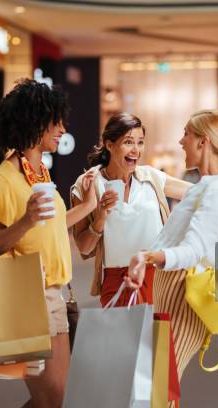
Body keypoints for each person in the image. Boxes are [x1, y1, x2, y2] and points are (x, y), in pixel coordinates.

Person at [0, 79, 97, 408]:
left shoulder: (39, 172)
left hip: (55, 293)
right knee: (54, 396)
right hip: (28, 296)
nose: (62, 128)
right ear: (33, 122)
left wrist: (86, 208)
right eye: (55, 121)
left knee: (59, 397)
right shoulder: (4, 180)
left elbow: (51, 227)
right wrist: (25, 221)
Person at [125, 109, 218, 390]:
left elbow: (194, 249)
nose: (181, 141)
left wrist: (149, 257)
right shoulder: (205, 186)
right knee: (159, 385)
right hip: (172, 294)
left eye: (187, 134)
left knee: (161, 387)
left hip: (182, 295)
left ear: (203, 141)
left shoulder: (217, 190)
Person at [70, 113, 191, 307]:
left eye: (140, 142)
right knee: (122, 337)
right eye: (128, 142)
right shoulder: (90, 183)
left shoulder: (151, 178)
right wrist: (100, 218)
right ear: (109, 144)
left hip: (159, 277)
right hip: (118, 279)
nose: (136, 150)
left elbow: (197, 193)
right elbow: (84, 246)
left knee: (161, 337)